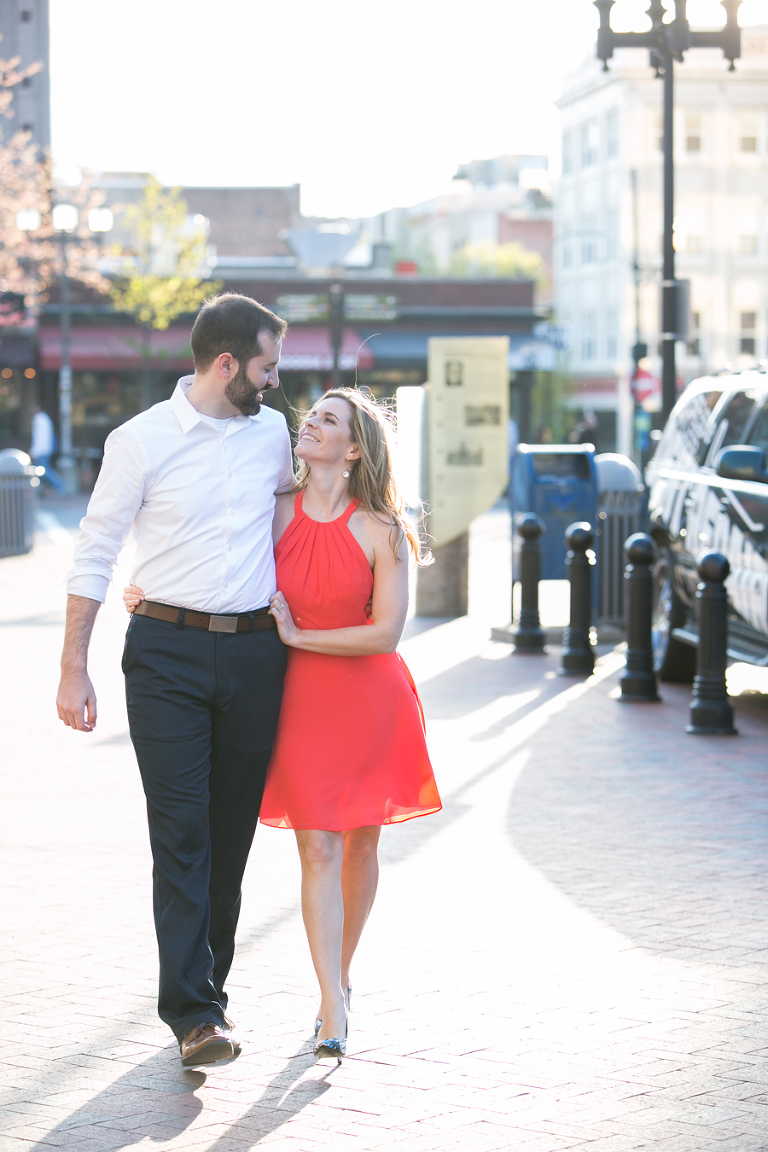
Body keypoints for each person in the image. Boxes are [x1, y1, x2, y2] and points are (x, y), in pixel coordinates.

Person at [124, 388, 442, 1065]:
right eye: (313, 415)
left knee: (360, 848)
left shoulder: (383, 528)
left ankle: (343, 976)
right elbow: (211, 560)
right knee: (319, 849)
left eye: (329, 419)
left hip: (368, 697)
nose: (311, 423)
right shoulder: (274, 513)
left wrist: (299, 637)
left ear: (354, 448)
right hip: (297, 700)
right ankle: (331, 999)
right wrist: (150, 592)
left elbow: (385, 634)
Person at [56, 293, 293, 1068]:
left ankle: (207, 1000)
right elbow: (95, 549)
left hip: (258, 656)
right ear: (226, 364)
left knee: (228, 839)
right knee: (183, 833)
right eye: (266, 368)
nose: (275, 383)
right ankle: (194, 1014)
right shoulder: (141, 440)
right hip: (166, 655)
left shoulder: (273, 435)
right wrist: (72, 667)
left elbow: (293, 528)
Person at [29, 403, 65, 494]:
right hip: (45, 449)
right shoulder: (45, 419)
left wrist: (34, 451)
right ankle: (38, 490)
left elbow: (38, 438)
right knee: (41, 471)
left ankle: (60, 486)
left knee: (43, 470)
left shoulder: (39, 420)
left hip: (41, 451)